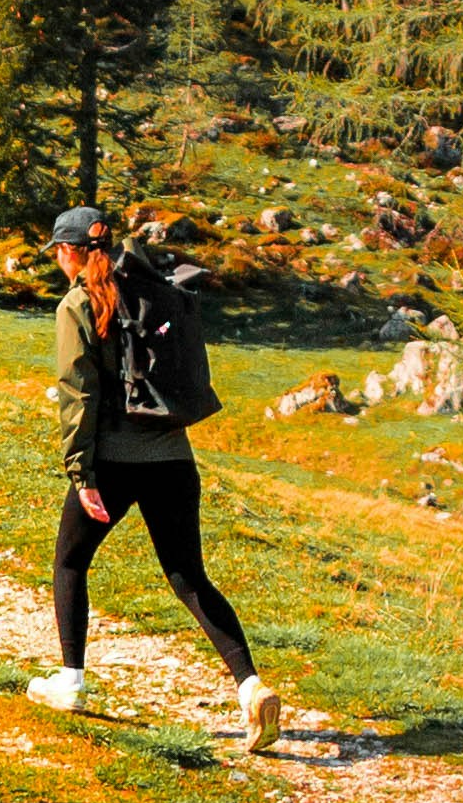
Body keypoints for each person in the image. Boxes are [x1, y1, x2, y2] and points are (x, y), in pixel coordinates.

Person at [39, 201, 282, 750]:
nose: (58, 259)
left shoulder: (78, 304)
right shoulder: (150, 290)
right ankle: (251, 687)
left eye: (59, 250)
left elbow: (79, 393)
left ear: (72, 252)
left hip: (116, 461)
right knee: (187, 575)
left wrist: (81, 472)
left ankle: (71, 680)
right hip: (175, 457)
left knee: (71, 560)